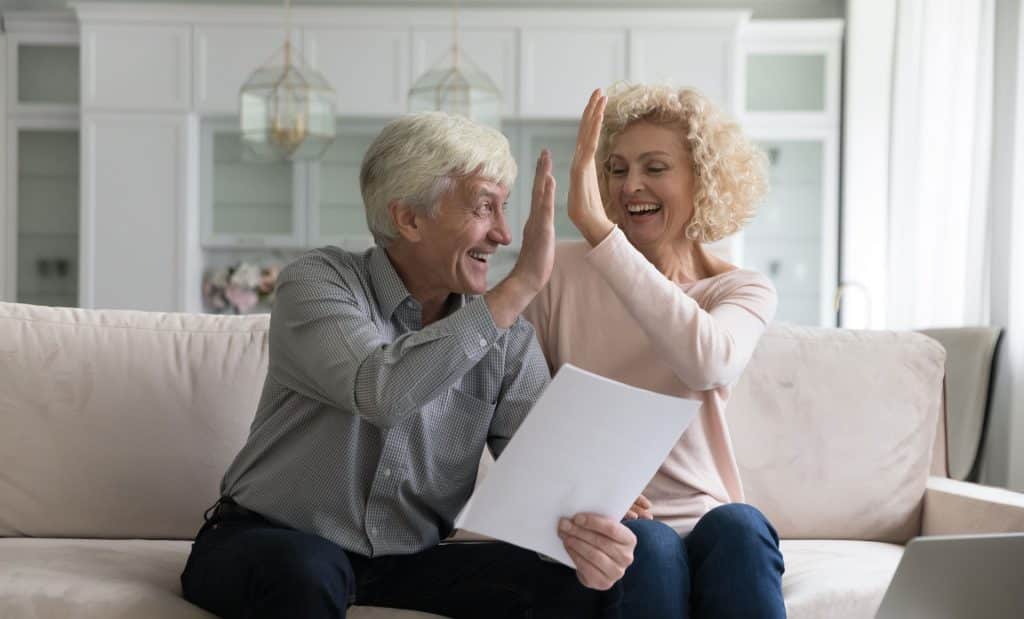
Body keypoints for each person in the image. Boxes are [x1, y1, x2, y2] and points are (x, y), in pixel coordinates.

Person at [180, 110, 684, 619]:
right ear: (409, 219)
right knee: (306, 571)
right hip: (270, 539)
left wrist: (591, 526)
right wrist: (521, 286)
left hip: (409, 562)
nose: (505, 235)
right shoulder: (318, 282)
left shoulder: (508, 342)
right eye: (485, 208)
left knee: (580, 580)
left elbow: (543, 469)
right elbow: (379, 390)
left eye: (505, 209)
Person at [523, 84, 787, 619]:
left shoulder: (739, 290)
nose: (629, 186)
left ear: (703, 181)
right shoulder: (561, 272)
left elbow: (706, 361)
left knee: (741, 524)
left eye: (655, 167)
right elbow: (518, 409)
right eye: (616, 170)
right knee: (653, 546)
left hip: (707, 520)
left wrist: (600, 232)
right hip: (598, 527)